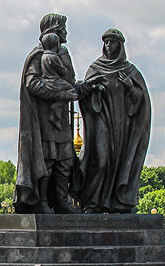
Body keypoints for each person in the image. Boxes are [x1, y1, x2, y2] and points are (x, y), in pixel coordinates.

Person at [73, 28, 151, 214]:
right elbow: (82, 92)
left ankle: (117, 202)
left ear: (120, 45)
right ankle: (92, 203)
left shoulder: (130, 71)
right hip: (101, 120)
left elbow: (141, 101)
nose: (108, 46)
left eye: (112, 42)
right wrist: (92, 87)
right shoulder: (95, 68)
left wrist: (130, 87)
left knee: (119, 161)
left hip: (123, 126)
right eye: (106, 42)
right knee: (101, 160)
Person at [15, 14, 80, 214]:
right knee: (47, 160)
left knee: (66, 159)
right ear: (55, 30)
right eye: (63, 28)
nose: (66, 32)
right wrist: (59, 90)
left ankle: (61, 200)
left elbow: (71, 79)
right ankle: (41, 200)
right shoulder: (38, 56)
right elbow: (31, 83)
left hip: (61, 119)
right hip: (42, 120)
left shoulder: (64, 54)